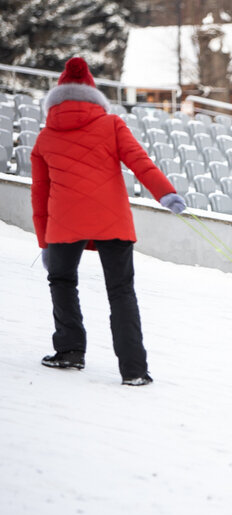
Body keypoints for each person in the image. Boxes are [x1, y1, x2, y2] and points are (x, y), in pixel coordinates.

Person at [31, 57, 186, 386]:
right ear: (92, 93)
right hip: (111, 221)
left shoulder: (45, 137)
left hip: (62, 223)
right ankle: (133, 370)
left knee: (61, 282)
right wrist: (166, 195)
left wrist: (44, 241)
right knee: (121, 291)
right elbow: (141, 164)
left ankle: (70, 350)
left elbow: (39, 195)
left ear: (57, 97)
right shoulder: (111, 124)